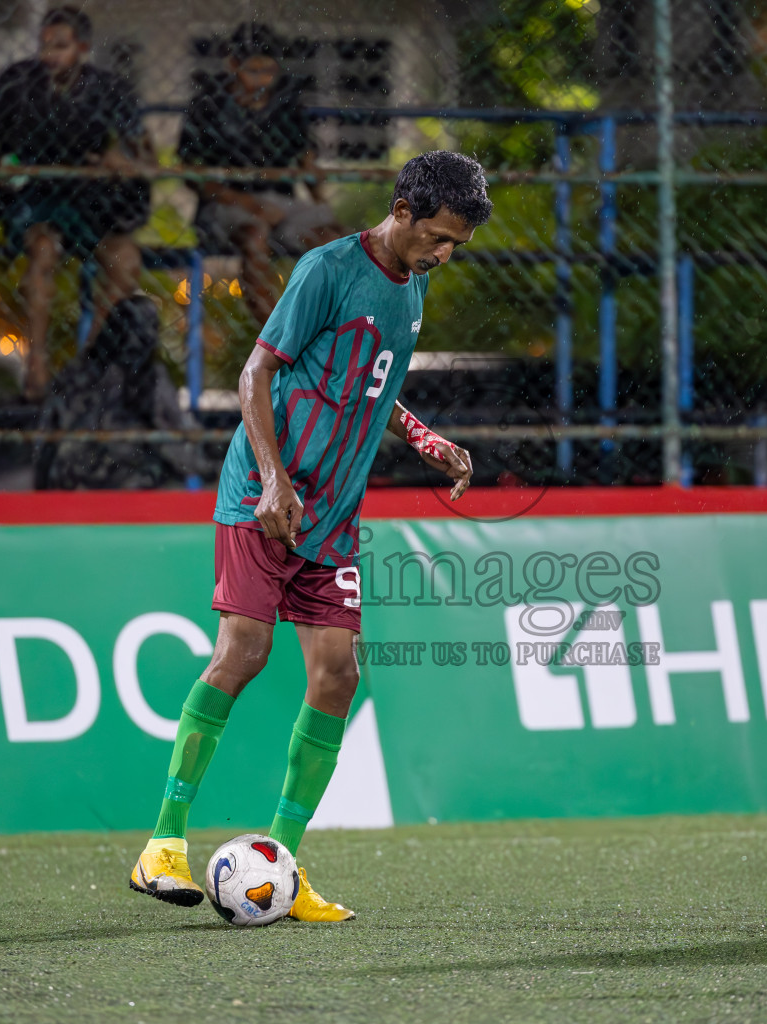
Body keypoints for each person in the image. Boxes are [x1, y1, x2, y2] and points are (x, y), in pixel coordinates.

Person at [128, 151, 492, 921]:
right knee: (245, 652)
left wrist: (427, 440)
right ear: (402, 207)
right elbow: (255, 374)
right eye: (437, 237)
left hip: (331, 515)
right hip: (262, 498)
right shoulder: (327, 270)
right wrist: (272, 478)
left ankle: (284, 865)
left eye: (455, 245)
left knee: (337, 675)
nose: (443, 255)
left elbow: (378, 383)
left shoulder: (413, 283)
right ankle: (162, 842)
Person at [0, 6, 153, 399]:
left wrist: (122, 162)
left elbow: (145, 157)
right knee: (43, 250)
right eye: (45, 45)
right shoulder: (18, 83)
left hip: (92, 202)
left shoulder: (110, 89)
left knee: (124, 259)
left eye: (60, 46)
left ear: (81, 48)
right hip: (36, 198)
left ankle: (87, 367)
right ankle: (37, 363)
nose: (50, 55)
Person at [178, 23, 344, 323]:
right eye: (252, 71)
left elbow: (306, 159)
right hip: (225, 206)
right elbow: (195, 176)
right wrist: (251, 206)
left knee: (336, 240)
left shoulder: (286, 104)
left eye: (269, 71)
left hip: (280, 204)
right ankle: (276, 339)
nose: (262, 80)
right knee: (255, 236)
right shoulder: (208, 106)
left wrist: (322, 207)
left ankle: (330, 327)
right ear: (233, 64)